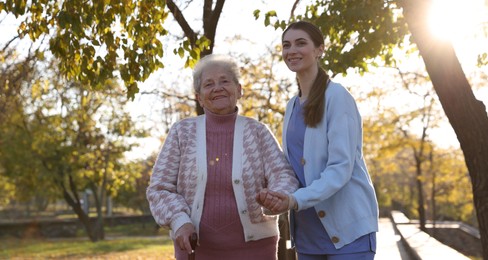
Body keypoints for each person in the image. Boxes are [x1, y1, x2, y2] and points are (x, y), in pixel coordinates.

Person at [146, 54, 299, 260]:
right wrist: (180, 220)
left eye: (225, 81)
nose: (217, 87)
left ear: (239, 90)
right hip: (195, 250)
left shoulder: (258, 131)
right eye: (209, 84)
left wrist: (276, 196)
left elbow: (284, 175)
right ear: (199, 97)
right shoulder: (182, 132)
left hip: (256, 249)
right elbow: (160, 187)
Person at [256, 21, 379, 260]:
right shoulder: (291, 106)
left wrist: (293, 200)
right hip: (307, 234)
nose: (292, 51)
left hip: (347, 230)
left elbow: (341, 168)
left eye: (301, 43)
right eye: (286, 45)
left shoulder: (337, 96)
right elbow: (292, 170)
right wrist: (275, 196)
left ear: (319, 49)